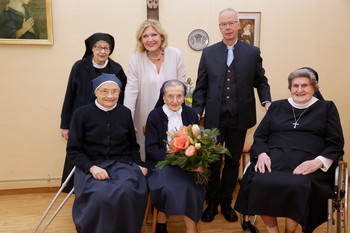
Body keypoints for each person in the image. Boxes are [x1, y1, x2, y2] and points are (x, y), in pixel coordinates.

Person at [234, 68, 344, 233]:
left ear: (314, 87)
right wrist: (262, 153)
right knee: (260, 181)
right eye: (295, 86)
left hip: (309, 162)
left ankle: (289, 232)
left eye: (305, 85)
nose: (299, 90)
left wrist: (318, 162)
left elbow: (336, 142)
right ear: (290, 88)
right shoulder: (277, 107)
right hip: (274, 158)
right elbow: (260, 136)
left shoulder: (326, 108)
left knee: (299, 185)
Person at [191, 8, 271, 222]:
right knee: (213, 161)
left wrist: (266, 101)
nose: (227, 27)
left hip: (240, 117)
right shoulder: (208, 53)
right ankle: (212, 203)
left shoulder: (252, 52)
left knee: (233, 161)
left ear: (238, 25)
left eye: (231, 23)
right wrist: (196, 112)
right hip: (214, 118)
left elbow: (261, 81)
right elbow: (201, 87)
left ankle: (227, 203)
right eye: (223, 24)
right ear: (219, 27)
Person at [67, 73, 148, 233]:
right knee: (100, 195)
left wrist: (139, 164)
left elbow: (132, 145)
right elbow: (74, 150)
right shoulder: (81, 113)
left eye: (115, 91)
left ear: (119, 93)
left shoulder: (125, 113)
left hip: (122, 164)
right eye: (104, 91)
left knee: (129, 190)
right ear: (96, 92)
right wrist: (92, 168)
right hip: (92, 165)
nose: (110, 96)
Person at [60, 32, 127, 193]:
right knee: (79, 153)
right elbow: (69, 95)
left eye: (106, 48)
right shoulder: (79, 66)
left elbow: (122, 98)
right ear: (92, 48)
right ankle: (77, 191)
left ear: (110, 50)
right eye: (99, 47)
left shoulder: (116, 69)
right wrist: (65, 125)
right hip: (80, 120)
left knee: (101, 153)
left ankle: (101, 190)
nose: (102, 51)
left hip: (106, 121)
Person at [145, 80, 205, 233]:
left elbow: (197, 142)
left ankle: (190, 228)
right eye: (170, 96)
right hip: (162, 162)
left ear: (184, 97)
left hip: (187, 162)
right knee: (167, 185)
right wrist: (175, 160)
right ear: (163, 98)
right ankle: (161, 219)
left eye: (179, 96)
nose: (174, 100)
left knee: (193, 183)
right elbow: (151, 149)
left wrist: (190, 160)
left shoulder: (191, 114)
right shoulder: (154, 115)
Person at [124, 19, 186, 161]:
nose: (150, 39)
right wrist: (127, 120)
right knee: (145, 151)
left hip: (172, 113)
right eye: (145, 36)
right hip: (144, 112)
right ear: (140, 40)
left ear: (161, 37)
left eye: (154, 35)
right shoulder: (136, 59)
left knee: (174, 149)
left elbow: (182, 86)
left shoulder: (175, 54)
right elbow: (131, 91)